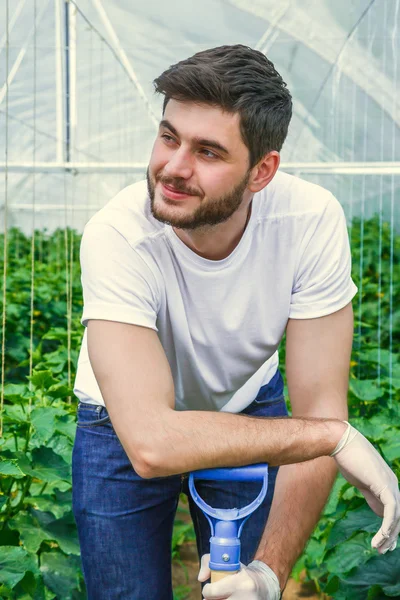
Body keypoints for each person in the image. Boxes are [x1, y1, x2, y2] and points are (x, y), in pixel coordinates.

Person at [72, 44, 400, 600]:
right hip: (119, 421)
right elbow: (151, 441)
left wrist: (270, 575)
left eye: (208, 151)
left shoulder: (309, 221)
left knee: (243, 589)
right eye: (169, 137)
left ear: (262, 170)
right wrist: (331, 438)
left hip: (247, 404)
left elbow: (321, 410)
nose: (173, 167)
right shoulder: (119, 235)